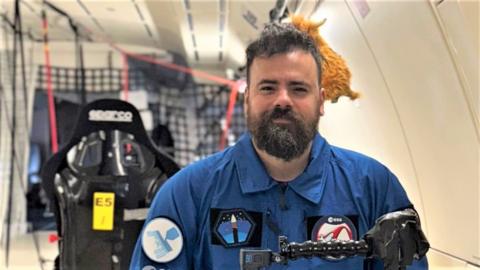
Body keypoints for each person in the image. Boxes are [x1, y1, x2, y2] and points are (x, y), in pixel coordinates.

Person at [130, 22, 428, 269]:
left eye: (298, 88)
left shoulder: (374, 188)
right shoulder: (187, 195)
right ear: (247, 100)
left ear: (321, 101)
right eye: (268, 87)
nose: (283, 100)